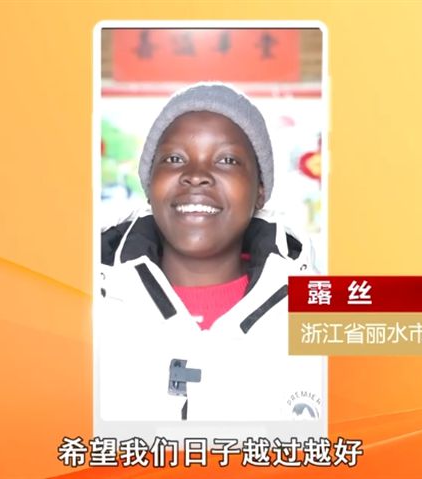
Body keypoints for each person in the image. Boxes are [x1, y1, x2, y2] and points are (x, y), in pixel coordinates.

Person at [96, 83, 324, 424]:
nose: (196, 176)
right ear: (149, 184)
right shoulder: (80, 303)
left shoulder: (323, 318)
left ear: (260, 191)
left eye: (227, 160)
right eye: (174, 159)